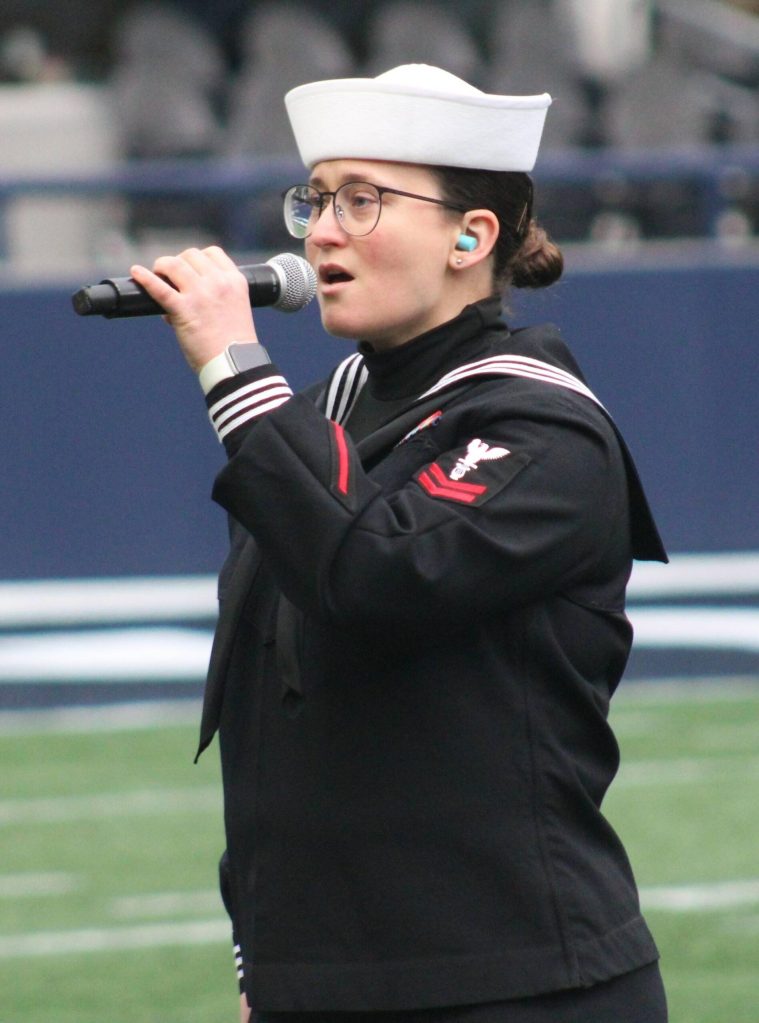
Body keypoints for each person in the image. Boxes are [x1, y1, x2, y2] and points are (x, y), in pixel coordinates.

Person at [129, 63, 668, 1023]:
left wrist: (230, 365)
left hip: (515, 983)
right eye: (318, 199)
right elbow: (267, 716)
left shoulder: (543, 429)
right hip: (327, 981)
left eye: (364, 200)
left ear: (472, 234)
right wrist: (268, 961)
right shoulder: (318, 417)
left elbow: (373, 574)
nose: (324, 229)